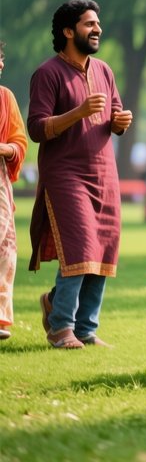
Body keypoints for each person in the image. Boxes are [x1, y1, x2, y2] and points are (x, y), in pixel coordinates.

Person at [28, 0, 133, 350]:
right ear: (68, 31)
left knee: (103, 249)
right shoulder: (47, 74)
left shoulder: (104, 71)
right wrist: (79, 112)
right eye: (89, 24)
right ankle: (61, 327)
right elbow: (38, 129)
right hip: (65, 174)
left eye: (97, 24)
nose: (98, 29)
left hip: (104, 172)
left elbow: (113, 116)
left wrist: (120, 122)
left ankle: (85, 327)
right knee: (78, 247)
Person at [0, 43, 29, 341]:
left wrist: (4, 148)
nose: (1, 65)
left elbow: (19, 142)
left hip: (0, 179)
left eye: (1, 59)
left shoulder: (5, 98)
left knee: (4, 247)